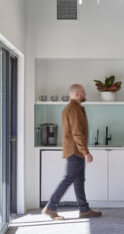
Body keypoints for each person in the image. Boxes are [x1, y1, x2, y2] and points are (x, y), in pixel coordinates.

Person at [43, 84, 102, 220]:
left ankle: (84, 209)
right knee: (70, 178)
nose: (84, 94)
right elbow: (77, 133)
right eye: (83, 92)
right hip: (75, 151)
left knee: (79, 180)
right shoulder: (74, 109)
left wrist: (83, 152)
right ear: (76, 94)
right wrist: (86, 152)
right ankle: (51, 207)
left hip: (75, 151)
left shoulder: (72, 108)